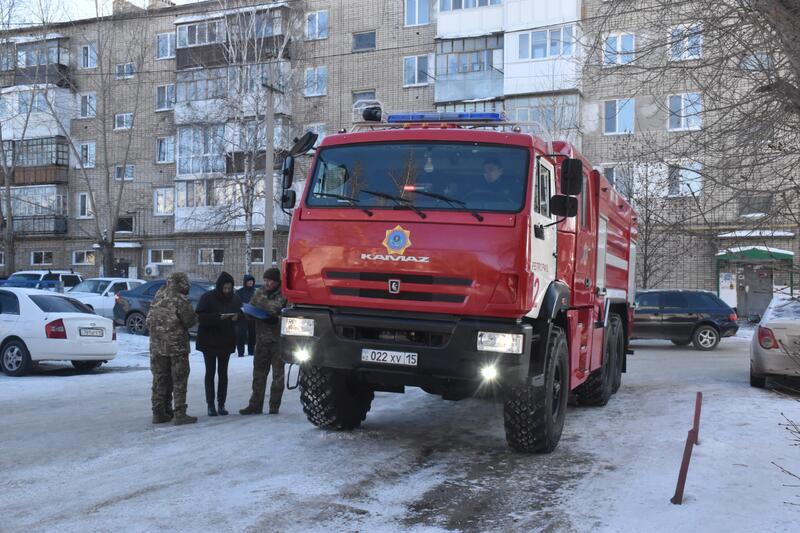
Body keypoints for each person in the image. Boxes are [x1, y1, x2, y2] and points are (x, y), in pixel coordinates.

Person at [147, 272, 198, 426]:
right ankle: (180, 414)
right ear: (182, 283)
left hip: (157, 346)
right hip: (177, 347)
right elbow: (189, 321)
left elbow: (149, 319)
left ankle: (159, 413)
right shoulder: (180, 299)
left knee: (160, 378)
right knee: (179, 379)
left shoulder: (159, 295)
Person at [240, 268, 287, 415]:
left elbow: (292, 318)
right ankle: (255, 405)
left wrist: (276, 320)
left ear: (277, 281)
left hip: (278, 341)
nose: (267, 283)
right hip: (261, 340)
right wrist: (248, 314)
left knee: (278, 376)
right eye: (265, 280)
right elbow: (251, 307)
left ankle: (274, 406)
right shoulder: (259, 293)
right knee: (259, 374)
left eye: (270, 281)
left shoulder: (285, 295)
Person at [196, 271, 242, 417]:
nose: (227, 291)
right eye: (225, 288)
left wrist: (237, 317)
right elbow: (201, 317)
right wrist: (218, 318)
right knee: (210, 373)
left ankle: (221, 404)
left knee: (223, 374)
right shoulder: (207, 297)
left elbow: (242, 314)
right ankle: (210, 405)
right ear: (219, 286)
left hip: (226, 341)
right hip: (209, 341)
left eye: (229, 288)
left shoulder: (235, 299)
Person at [236, 275, 257, 357]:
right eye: (249, 281)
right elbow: (237, 303)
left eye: (252, 281)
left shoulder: (255, 292)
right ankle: (240, 353)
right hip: (242, 317)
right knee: (241, 335)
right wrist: (243, 311)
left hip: (252, 317)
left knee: (252, 335)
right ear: (245, 282)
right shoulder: (239, 292)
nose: (250, 282)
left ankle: (251, 352)